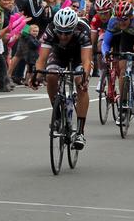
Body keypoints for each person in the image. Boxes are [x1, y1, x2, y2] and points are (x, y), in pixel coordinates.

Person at [30, 8, 92, 150]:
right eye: (60, 32)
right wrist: (37, 76)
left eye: (67, 32)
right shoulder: (51, 29)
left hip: (79, 55)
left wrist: (84, 78)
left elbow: (87, 60)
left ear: (74, 28)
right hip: (59, 53)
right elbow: (42, 59)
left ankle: (80, 132)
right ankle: (57, 114)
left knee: (80, 82)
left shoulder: (82, 29)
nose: (63, 36)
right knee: (51, 75)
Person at [101, 1, 134, 124]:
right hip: (127, 36)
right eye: (119, 19)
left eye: (124, 20)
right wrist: (105, 54)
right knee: (122, 71)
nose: (121, 22)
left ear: (131, 17)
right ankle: (123, 107)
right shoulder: (114, 20)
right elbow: (106, 42)